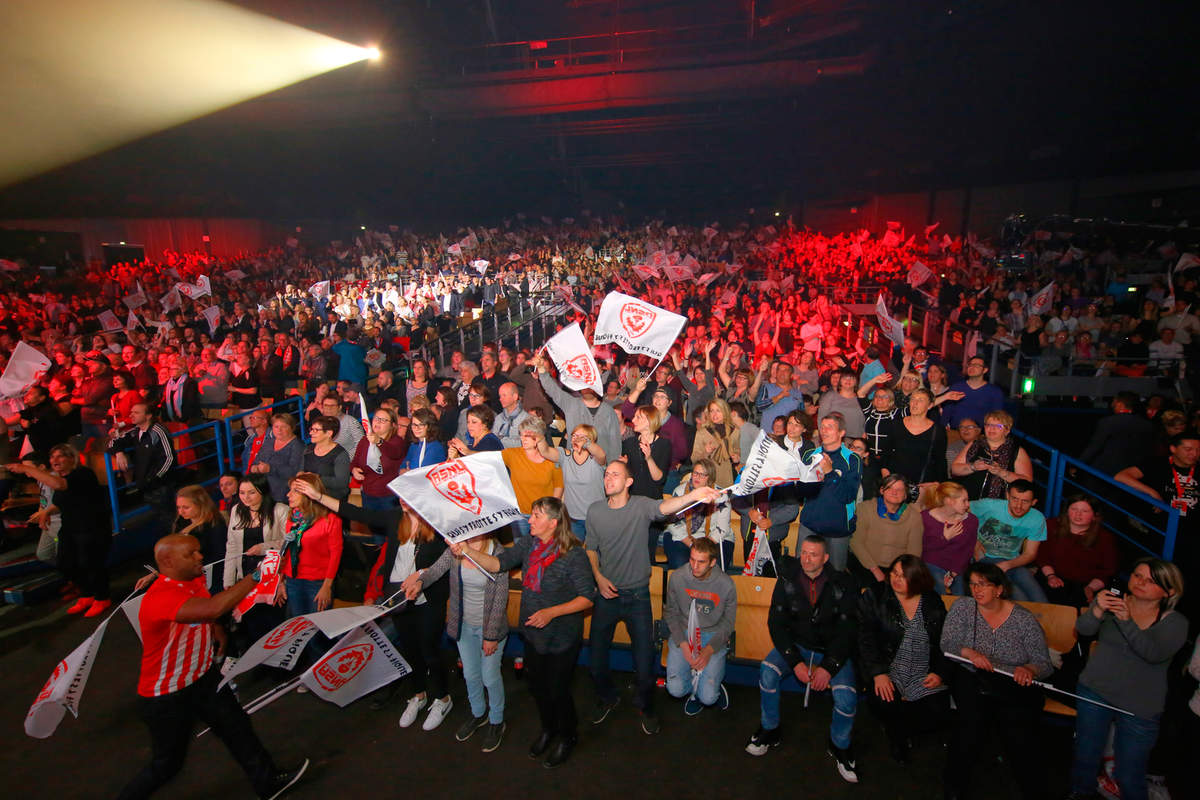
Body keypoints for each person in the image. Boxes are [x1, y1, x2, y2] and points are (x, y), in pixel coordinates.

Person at [115, 534, 307, 800]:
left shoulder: (193, 578)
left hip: (203, 676)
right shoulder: (161, 596)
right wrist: (255, 577)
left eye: (198, 551)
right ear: (168, 562)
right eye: (191, 554)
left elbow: (206, 609)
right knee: (167, 765)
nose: (200, 557)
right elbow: (213, 607)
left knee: (237, 728)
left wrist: (217, 631)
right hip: (167, 695)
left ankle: (269, 783)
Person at [450, 497, 595, 768]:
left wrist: (552, 612)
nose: (530, 520)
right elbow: (496, 564)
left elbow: (587, 598)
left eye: (536, 516)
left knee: (558, 690)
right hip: (532, 633)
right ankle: (548, 729)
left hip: (561, 637)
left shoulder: (574, 554)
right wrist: (467, 550)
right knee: (538, 687)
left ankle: (567, 736)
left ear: (553, 523)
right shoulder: (528, 544)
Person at [295, 484, 453, 730]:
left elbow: (448, 559)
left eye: (410, 494)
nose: (403, 500)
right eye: (401, 495)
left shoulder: (439, 523)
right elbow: (356, 513)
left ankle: (442, 699)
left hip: (428, 597)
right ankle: (419, 695)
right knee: (411, 651)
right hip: (398, 597)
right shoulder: (394, 518)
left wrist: (422, 575)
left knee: (429, 650)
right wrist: (319, 497)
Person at [586, 460, 721, 736]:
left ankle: (645, 707)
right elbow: (590, 549)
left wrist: (695, 495)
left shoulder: (640, 506)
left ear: (628, 482)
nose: (608, 478)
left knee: (645, 662)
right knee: (596, 658)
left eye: (615, 474)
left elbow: (665, 508)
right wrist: (598, 577)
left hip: (637, 596)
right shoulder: (595, 511)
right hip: (605, 595)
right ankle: (607, 698)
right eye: (606, 474)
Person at [1069, 558, 1189, 800]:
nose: (1140, 583)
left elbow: (1153, 654)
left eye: (1150, 581)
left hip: (1140, 706)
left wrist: (1126, 621)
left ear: (1169, 591)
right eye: (1137, 576)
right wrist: (1097, 609)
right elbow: (1083, 630)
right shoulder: (1115, 601)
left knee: (1129, 771)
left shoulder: (1176, 622)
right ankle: (1080, 793)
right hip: (1095, 690)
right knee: (1086, 754)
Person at [744, 535, 861, 784]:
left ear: (826, 558)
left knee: (846, 697)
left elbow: (848, 631)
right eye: (804, 553)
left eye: (813, 554)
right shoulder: (787, 577)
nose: (806, 559)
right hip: (798, 646)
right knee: (767, 671)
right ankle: (770, 729)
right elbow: (776, 624)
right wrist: (795, 661)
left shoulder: (845, 583)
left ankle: (839, 745)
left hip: (833, 651)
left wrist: (828, 667)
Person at [939, 561, 1052, 800]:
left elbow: (1043, 662)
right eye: (972, 584)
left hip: (1010, 681)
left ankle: (1032, 788)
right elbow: (947, 644)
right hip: (971, 674)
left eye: (983, 584)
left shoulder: (1023, 619)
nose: (976, 590)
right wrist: (970, 653)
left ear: (999, 589)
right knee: (970, 724)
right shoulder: (963, 608)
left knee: (1018, 731)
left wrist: (1028, 669)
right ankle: (954, 786)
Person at [401, 530, 509, 754]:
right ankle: (478, 713)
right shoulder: (457, 548)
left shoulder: (497, 553)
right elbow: (437, 569)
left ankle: (497, 720)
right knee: (470, 675)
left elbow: (500, 600)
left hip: (490, 628)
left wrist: (490, 636)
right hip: (464, 625)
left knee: (489, 677)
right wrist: (420, 582)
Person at [856, 555, 951, 764]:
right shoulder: (876, 595)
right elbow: (865, 638)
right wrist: (878, 673)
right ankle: (897, 737)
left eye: (903, 576)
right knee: (885, 701)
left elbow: (945, 641)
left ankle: (902, 725)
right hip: (889, 666)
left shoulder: (932, 601)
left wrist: (939, 672)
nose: (897, 579)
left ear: (917, 579)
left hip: (922, 669)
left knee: (938, 709)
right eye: (894, 573)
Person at [9, 444, 111, 616]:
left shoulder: (82, 474)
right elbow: (61, 501)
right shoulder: (60, 477)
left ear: (72, 459)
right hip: (71, 526)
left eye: (60, 456)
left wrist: (26, 468)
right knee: (66, 562)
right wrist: (47, 512)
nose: (55, 460)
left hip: (90, 526)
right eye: (52, 457)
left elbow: (59, 485)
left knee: (90, 563)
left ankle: (101, 597)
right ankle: (86, 594)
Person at [663, 537, 736, 714]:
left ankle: (705, 691)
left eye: (701, 562)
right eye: (692, 559)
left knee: (709, 698)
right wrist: (683, 644)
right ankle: (695, 690)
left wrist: (709, 650)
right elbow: (670, 612)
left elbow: (728, 623)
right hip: (684, 632)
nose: (695, 566)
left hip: (713, 634)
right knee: (676, 689)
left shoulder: (726, 584)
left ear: (712, 562)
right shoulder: (678, 577)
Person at [276, 473, 343, 628]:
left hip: (318, 583)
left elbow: (336, 554)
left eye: (295, 491)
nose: (288, 495)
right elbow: (286, 550)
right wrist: (281, 581)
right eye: (289, 490)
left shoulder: (330, 519)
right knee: (298, 630)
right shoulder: (292, 517)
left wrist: (327, 586)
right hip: (293, 580)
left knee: (316, 634)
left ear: (308, 493)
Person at [797, 413, 863, 571]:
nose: (824, 431)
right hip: (810, 525)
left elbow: (848, 496)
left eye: (830, 427)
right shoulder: (810, 455)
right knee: (801, 573)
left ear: (841, 433)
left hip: (837, 529)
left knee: (835, 580)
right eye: (822, 427)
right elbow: (800, 492)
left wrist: (830, 473)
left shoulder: (852, 459)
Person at [971, 479, 1048, 602]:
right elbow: (959, 511)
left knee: (1039, 599)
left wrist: (1007, 565)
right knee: (1019, 598)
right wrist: (973, 539)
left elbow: (1030, 554)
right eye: (1014, 499)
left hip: (1012, 561)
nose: (1018, 505)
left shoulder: (1037, 519)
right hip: (984, 559)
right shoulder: (990, 505)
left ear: (1033, 502)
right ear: (1007, 496)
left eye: (1025, 501)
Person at [537, 353, 622, 464]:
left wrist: (613, 470)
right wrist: (542, 371)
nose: (586, 387)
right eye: (584, 383)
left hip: (601, 469)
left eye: (590, 383)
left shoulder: (608, 411)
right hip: (574, 466)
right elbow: (553, 390)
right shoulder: (570, 404)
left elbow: (615, 443)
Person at [1034, 495, 1119, 606]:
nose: (1078, 514)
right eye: (1074, 509)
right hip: (1051, 576)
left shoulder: (1105, 538)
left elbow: (1108, 571)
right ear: (1067, 511)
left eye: (1084, 511)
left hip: (1085, 585)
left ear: (1095, 516)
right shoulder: (1051, 525)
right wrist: (1051, 576)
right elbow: (1043, 556)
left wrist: (1091, 588)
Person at [848, 473, 923, 588]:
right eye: (890, 488)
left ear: (905, 495)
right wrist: (875, 569)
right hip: (865, 565)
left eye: (899, 489)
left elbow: (914, 551)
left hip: (897, 570)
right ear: (882, 490)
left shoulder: (914, 516)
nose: (894, 492)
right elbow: (856, 542)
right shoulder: (865, 509)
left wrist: (899, 574)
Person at [664, 458, 734, 570]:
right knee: (680, 564)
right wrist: (692, 544)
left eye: (703, 475)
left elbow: (723, 528)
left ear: (710, 478)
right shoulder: (680, 491)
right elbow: (673, 524)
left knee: (714, 568)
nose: (697, 477)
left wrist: (703, 548)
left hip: (713, 538)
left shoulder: (721, 496)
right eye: (695, 473)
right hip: (684, 537)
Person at [539, 422, 605, 541]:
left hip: (596, 517)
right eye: (574, 436)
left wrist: (587, 443)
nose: (576, 439)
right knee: (573, 555)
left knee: (598, 554)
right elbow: (545, 451)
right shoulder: (565, 456)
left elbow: (601, 455)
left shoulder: (594, 458)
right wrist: (538, 436)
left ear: (590, 439)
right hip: (573, 518)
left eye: (581, 437)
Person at [501, 417, 564, 540]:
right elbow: (488, 458)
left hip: (542, 516)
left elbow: (559, 485)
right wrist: (466, 451)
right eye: (521, 435)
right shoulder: (512, 454)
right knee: (520, 552)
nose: (522, 439)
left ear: (539, 437)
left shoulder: (552, 458)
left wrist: (550, 512)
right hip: (519, 515)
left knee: (541, 552)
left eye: (527, 436)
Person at [951, 410, 1034, 500]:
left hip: (1001, 504)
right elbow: (954, 469)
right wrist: (973, 467)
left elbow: (1027, 482)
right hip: (970, 501)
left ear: (1007, 430)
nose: (991, 429)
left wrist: (1001, 472)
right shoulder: (974, 444)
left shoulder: (1017, 451)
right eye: (988, 425)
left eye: (997, 426)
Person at [882, 388, 947, 492]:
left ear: (930, 405)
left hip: (922, 485)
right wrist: (887, 479)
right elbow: (885, 454)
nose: (915, 403)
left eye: (920, 400)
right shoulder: (896, 424)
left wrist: (936, 483)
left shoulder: (937, 431)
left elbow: (940, 461)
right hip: (894, 483)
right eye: (913, 399)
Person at [920, 481, 978, 595]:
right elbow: (921, 549)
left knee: (961, 595)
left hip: (957, 567)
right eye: (964, 501)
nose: (968, 504)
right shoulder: (925, 518)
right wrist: (943, 538)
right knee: (939, 589)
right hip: (932, 564)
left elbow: (968, 551)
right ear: (949, 501)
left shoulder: (971, 521)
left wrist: (953, 573)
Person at [172, 485, 225, 595]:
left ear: (200, 505)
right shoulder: (181, 522)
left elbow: (218, 556)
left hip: (209, 577)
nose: (181, 512)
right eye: (178, 507)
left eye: (186, 507)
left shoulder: (215, 525)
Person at [940, 355, 1005, 432]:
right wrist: (942, 427)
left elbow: (997, 416)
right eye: (970, 365)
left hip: (979, 434)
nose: (972, 367)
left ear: (985, 370)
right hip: (955, 431)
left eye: (976, 365)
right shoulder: (957, 387)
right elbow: (948, 410)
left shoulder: (994, 391)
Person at [248, 413, 304, 502]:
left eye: (284, 427)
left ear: (292, 427)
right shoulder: (269, 442)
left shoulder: (297, 446)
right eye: (276, 427)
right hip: (264, 491)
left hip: (283, 494)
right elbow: (256, 462)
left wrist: (270, 469)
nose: (279, 430)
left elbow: (294, 472)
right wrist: (255, 468)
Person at [691, 398, 741, 488]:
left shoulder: (735, 431)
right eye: (712, 411)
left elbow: (737, 450)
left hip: (727, 477)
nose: (714, 414)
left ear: (725, 412)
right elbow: (694, 459)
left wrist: (737, 457)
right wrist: (706, 452)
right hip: (708, 477)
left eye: (718, 410)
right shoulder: (702, 432)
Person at [301, 415, 351, 501]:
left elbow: (342, 482)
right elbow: (301, 470)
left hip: (332, 500)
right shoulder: (308, 449)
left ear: (329, 433)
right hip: (310, 497)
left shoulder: (340, 454)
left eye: (316, 430)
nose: (311, 433)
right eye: (311, 429)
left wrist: (316, 478)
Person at [398, 408, 446, 472]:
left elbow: (422, 474)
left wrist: (408, 471)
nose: (416, 428)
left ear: (429, 426)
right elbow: (402, 468)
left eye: (421, 425)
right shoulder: (414, 445)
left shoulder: (435, 447)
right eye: (414, 424)